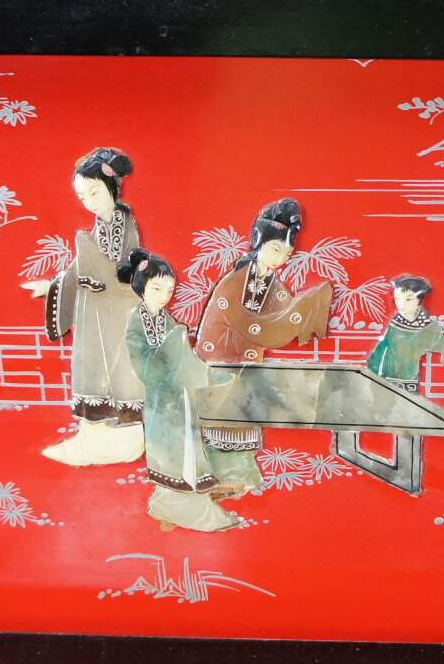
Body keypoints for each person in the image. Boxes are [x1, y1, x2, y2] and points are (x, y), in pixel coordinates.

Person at [194, 197, 333, 494]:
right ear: (258, 241)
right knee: (223, 419)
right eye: (275, 249)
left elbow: (285, 314)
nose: (280, 259)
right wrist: (288, 319)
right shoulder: (234, 282)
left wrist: (306, 307)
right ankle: (218, 477)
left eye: (287, 253)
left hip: (247, 364)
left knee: (244, 417)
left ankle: (241, 476)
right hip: (220, 361)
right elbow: (249, 324)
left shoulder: (272, 285)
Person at [21, 148, 147, 466]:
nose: (89, 201)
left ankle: (118, 442)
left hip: (115, 311)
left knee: (115, 372)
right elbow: (83, 267)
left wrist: (99, 281)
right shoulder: (100, 227)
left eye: (94, 192)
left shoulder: (123, 224)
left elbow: (123, 270)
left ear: (112, 188)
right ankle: (92, 440)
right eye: (82, 196)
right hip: (96, 309)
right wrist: (55, 286)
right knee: (96, 373)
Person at [121, 251, 238, 533]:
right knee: (169, 453)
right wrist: (173, 342)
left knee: (187, 449)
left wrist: (209, 375)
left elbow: (185, 355)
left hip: (181, 396)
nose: (164, 296)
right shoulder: (136, 322)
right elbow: (143, 364)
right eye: (157, 288)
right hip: (161, 401)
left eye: (169, 290)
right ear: (141, 287)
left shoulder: (167, 319)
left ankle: (184, 506)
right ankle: (172, 508)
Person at [365, 274, 444, 392]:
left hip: (407, 378)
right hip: (384, 375)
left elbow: (442, 342)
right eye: (397, 298)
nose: (401, 304)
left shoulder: (429, 328)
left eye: (408, 299)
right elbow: (380, 349)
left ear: (419, 300)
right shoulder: (395, 324)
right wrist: (371, 371)